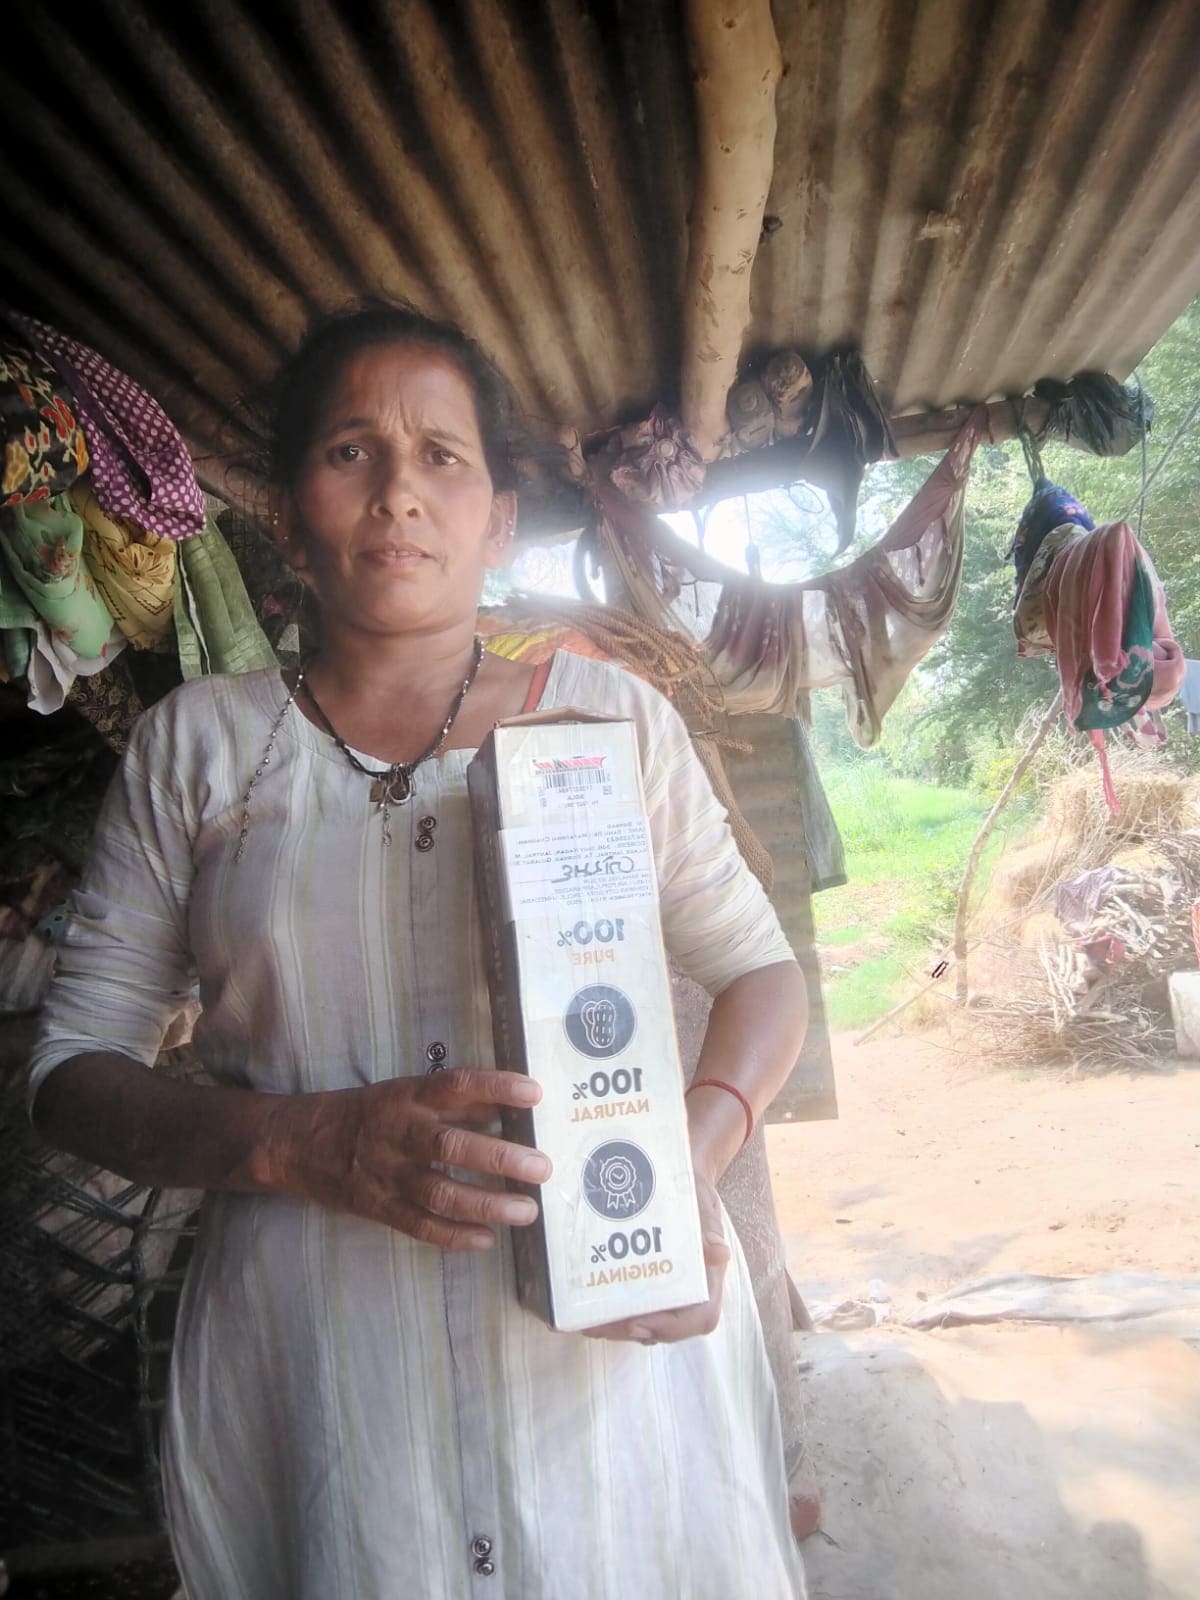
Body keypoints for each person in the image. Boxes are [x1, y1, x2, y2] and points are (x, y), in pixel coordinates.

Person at [28, 304, 810, 1599]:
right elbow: (72, 1072)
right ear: (287, 516)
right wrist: (296, 1142)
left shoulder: (609, 718)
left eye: (442, 455)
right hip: (328, 1389)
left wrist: (692, 1151)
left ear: (499, 520)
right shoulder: (197, 750)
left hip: (602, 1362)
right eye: (351, 451)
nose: (399, 490)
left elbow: (763, 975)